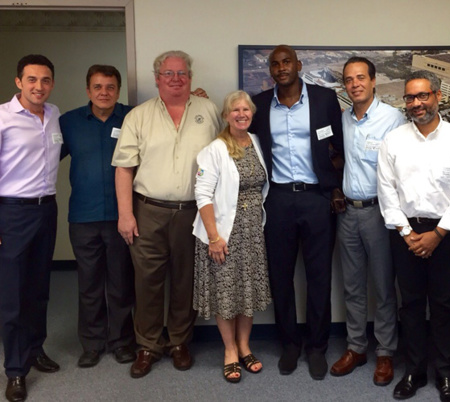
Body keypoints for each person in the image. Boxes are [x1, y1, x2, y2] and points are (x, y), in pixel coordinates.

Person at [112, 50, 222, 378]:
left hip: (194, 212)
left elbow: (223, 162)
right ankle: (147, 345)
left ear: (191, 78)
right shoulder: (139, 116)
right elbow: (123, 168)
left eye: (182, 74)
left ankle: (179, 341)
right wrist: (125, 214)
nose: (175, 79)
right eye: (168, 74)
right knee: (147, 281)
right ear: (157, 78)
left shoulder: (209, 110)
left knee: (185, 280)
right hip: (149, 211)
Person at [377, 70, 450, 402]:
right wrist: (407, 233)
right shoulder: (394, 140)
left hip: (446, 234)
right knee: (410, 305)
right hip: (404, 233)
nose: (417, 103)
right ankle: (415, 371)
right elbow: (386, 191)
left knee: (444, 304)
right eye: (410, 98)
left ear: (438, 96)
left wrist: (437, 234)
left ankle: (445, 374)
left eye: (423, 96)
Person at [248, 45, 344, 380]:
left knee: (319, 277)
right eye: (275, 64)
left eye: (287, 61)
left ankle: (317, 347)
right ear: (270, 70)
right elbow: (237, 129)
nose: (281, 67)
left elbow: (340, 147)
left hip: (316, 199)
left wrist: (333, 187)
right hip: (277, 199)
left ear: (298, 65)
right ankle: (290, 344)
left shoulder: (323, 99)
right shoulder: (259, 105)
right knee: (280, 276)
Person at [329, 57, 405, 386]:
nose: (355, 84)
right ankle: (356, 347)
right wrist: (335, 188)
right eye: (349, 79)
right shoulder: (343, 119)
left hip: (380, 213)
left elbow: (404, 167)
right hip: (348, 212)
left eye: (361, 77)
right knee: (353, 286)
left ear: (373, 81)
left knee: (384, 287)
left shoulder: (393, 118)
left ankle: (386, 352)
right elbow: (336, 159)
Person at [59, 65, 135, 369]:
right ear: (88, 90)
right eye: (98, 87)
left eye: (110, 87)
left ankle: (121, 342)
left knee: (120, 282)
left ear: (118, 90)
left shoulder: (133, 118)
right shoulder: (69, 122)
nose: (104, 93)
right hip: (83, 216)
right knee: (89, 284)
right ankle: (91, 344)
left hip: (122, 216)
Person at [192, 90, 271, 383]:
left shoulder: (256, 142)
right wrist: (214, 237)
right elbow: (202, 193)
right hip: (223, 232)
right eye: (235, 110)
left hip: (252, 231)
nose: (241, 114)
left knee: (246, 291)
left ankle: (245, 346)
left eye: (246, 110)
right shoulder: (215, 149)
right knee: (226, 293)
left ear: (252, 114)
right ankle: (229, 352)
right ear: (226, 115)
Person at [0, 54, 61, 402]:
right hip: (12, 212)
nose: (39, 86)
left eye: (46, 80)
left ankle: (36, 349)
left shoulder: (53, 115)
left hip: (45, 210)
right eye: (32, 79)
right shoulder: (3, 118)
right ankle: (15, 370)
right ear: (18, 82)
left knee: (39, 288)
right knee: (12, 296)